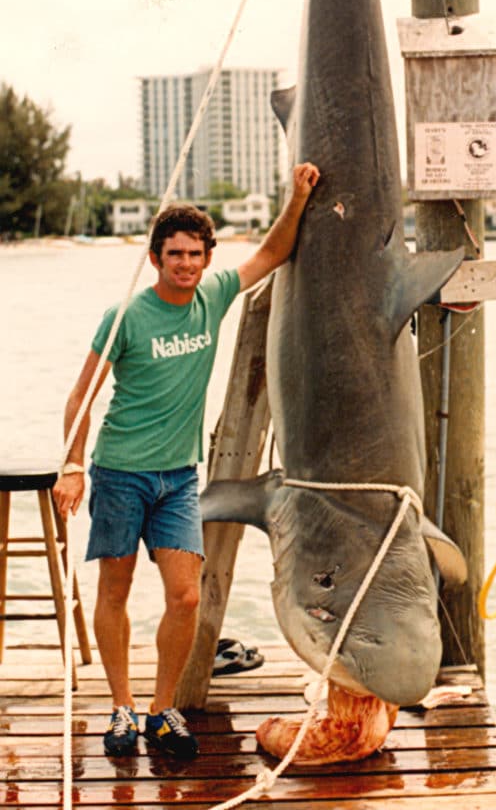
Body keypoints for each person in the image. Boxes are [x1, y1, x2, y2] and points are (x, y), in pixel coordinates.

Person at [53, 161, 319, 758]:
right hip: (119, 472)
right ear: (155, 259)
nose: (187, 264)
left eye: (196, 254)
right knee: (115, 591)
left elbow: (275, 250)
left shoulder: (215, 295)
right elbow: (81, 396)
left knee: (187, 596)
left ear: (206, 257)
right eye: (175, 254)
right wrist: (72, 467)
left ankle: (161, 710)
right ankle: (121, 710)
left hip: (177, 477)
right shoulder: (124, 316)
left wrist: (297, 197)